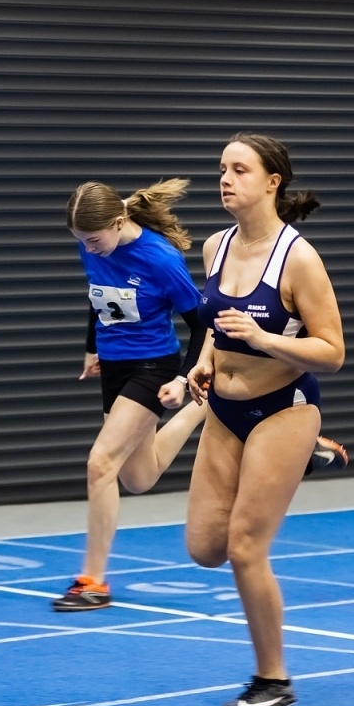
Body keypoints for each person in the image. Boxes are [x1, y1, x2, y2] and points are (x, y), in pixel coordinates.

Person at [185, 132, 345, 706]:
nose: (225, 179)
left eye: (239, 169)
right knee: (205, 548)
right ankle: (305, 457)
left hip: (284, 406)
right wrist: (204, 360)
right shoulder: (215, 247)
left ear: (271, 181)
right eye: (221, 168)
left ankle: (272, 679)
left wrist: (263, 340)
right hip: (224, 410)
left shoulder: (298, 259)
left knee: (246, 547)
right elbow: (214, 320)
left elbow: (332, 351)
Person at [54, 179, 210, 611]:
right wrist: (92, 345)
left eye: (94, 240)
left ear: (119, 222)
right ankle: (209, 407)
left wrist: (183, 377)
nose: (89, 248)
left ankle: (93, 582)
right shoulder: (92, 244)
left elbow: (202, 323)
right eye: (81, 242)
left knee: (100, 462)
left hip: (153, 366)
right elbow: (97, 292)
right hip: (115, 364)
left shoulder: (160, 258)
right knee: (137, 478)